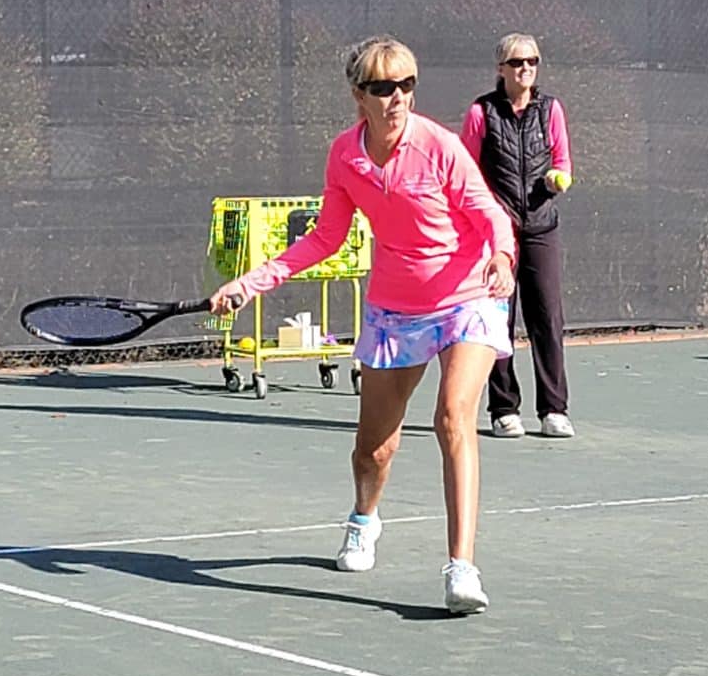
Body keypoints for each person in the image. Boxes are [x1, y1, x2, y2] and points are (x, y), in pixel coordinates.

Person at [209, 37, 516, 615]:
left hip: (468, 297)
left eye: (406, 85)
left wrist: (501, 257)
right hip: (396, 308)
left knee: (454, 417)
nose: (397, 97)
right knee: (374, 449)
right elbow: (325, 237)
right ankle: (363, 518)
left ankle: (462, 569)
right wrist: (250, 283)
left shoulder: (441, 147)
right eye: (382, 87)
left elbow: (490, 214)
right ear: (359, 95)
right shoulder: (344, 157)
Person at [460, 32, 574, 438]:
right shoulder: (482, 112)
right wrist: (487, 213)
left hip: (542, 225)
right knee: (497, 320)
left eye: (532, 61)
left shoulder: (551, 109)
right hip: (497, 232)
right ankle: (504, 409)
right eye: (517, 62)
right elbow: (466, 170)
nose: (526, 68)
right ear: (501, 69)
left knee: (547, 317)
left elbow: (562, 160)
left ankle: (554, 410)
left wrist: (558, 179)